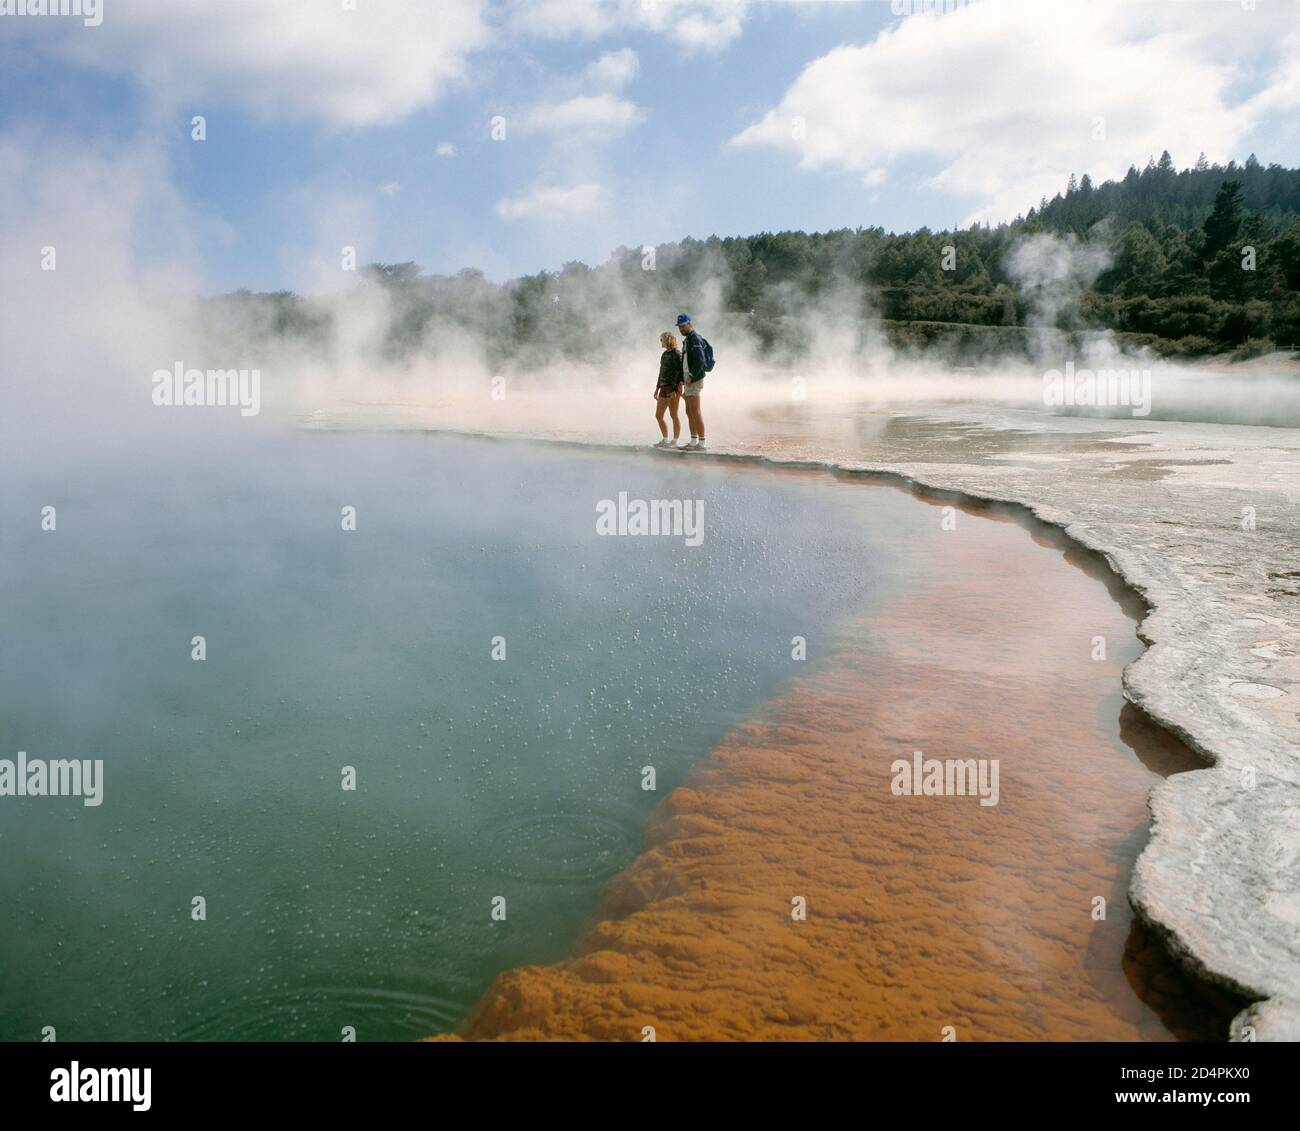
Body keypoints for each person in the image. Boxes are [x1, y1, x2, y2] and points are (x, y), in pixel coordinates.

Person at [676, 313, 706, 450]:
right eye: (679, 326)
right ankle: (693, 442)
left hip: (694, 380)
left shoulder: (694, 339)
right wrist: (683, 379)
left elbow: (700, 361)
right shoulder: (688, 339)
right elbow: (686, 362)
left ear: (689, 324)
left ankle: (701, 443)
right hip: (688, 380)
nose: (681, 329)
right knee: (689, 411)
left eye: (683, 326)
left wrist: (691, 376)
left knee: (696, 411)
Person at [652, 331, 683, 448]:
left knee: (673, 414)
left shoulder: (677, 354)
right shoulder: (664, 354)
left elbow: (681, 373)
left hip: (673, 388)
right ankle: (665, 440)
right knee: (658, 415)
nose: (661, 342)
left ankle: (675, 441)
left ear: (667, 340)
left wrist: (676, 389)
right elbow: (661, 372)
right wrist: (656, 388)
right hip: (663, 387)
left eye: (662, 340)